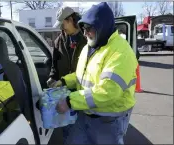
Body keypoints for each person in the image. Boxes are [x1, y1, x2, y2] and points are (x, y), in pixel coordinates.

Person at [54, 2, 138, 144]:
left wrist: (69, 101)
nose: (85, 33)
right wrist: (64, 81)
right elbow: (82, 74)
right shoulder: (90, 45)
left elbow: (107, 91)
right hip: (85, 114)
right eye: (83, 28)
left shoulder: (120, 52)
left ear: (102, 27)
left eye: (88, 28)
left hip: (108, 121)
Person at [47, 6, 88, 88]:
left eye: (62, 25)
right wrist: (52, 77)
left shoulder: (87, 38)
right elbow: (54, 65)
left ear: (71, 20)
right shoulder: (58, 41)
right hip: (63, 87)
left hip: (81, 87)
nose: (61, 28)